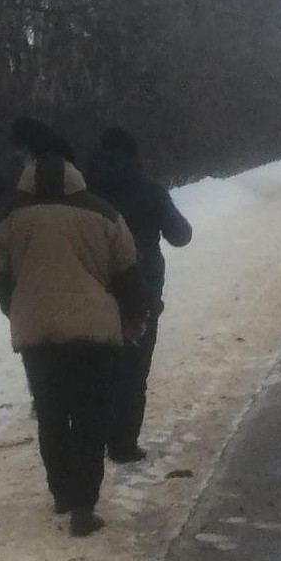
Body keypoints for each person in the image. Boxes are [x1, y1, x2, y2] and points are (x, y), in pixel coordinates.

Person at [0, 152, 150, 536]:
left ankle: (61, 492)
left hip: (37, 333)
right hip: (94, 332)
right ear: (76, 177)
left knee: (52, 413)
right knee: (91, 415)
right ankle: (84, 506)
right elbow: (127, 271)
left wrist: (16, 305)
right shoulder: (104, 214)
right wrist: (135, 314)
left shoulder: (6, 216)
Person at [85, 127, 193, 464]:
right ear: (134, 155)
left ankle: (93, 436)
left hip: (93, 290)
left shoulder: (84, 192)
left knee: (97, 367)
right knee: (134, 368)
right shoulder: (149, 191)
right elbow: (180, 235)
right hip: (141, 291)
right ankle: (123, 444)